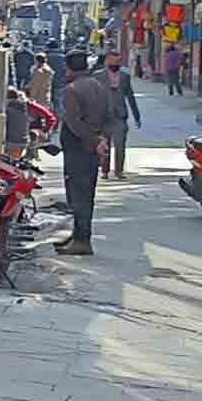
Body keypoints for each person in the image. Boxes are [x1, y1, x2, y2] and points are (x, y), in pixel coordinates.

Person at [56, 51, 109, 256]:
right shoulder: (98, 86)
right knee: (87, 194)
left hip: (78, 149)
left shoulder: (71, 90)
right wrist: (102, 140)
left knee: (77, 195)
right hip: (92, 149)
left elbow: (74, 123)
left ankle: (82, 240)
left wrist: (94, 140)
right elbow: (108, 116)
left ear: (69, 68)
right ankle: (78, 234)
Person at [100, 50, 142, 179]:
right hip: (103, 116)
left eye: (118, 61)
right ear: (107, 61)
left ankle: (119, 171)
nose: (115, 64)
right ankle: (105, 171)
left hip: (120, 115)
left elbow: (130, 96)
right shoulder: (98, 76)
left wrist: (137, 116)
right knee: (104, 144)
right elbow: (92, 97)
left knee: (120, 144)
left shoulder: (125, 76)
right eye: (112, 61)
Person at [27, 58, 55, 129]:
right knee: (44, 114)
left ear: (37, 61)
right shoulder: (48, 70)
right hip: (45, 95)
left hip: (38, 96)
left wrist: (30, 96)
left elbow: (35, 86)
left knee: (37, 116)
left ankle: (37, 132)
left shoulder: (38, 71)